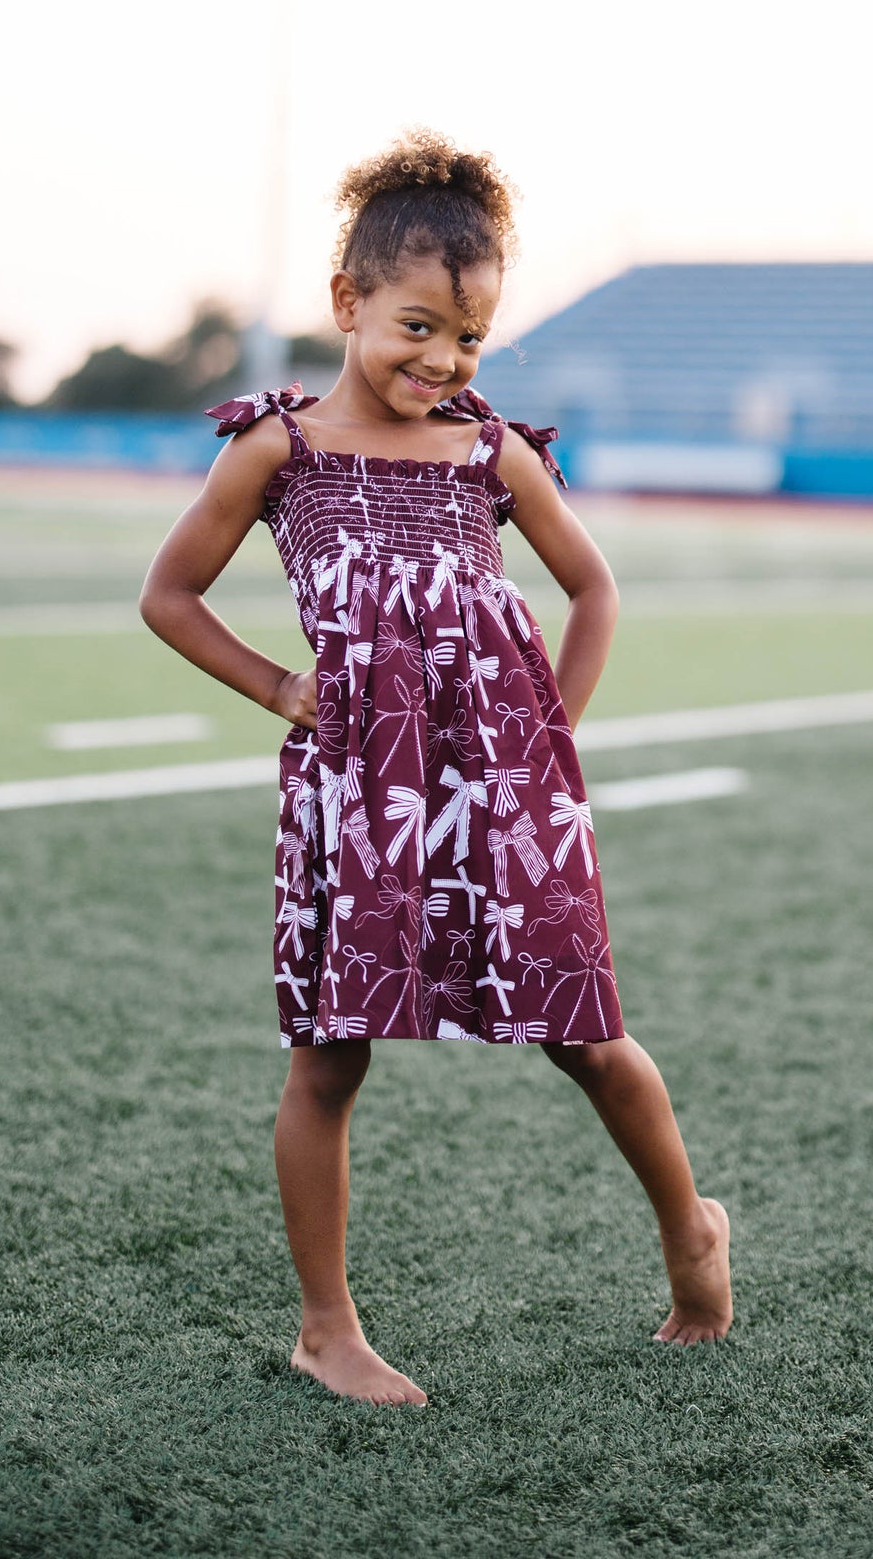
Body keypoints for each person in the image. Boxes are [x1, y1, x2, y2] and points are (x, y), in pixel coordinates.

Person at [139, 129, 731, 1406]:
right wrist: (285, 688)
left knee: (585, 1033)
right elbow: (169, 595)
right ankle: (325, 1326)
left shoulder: (490, 450)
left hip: (508, 793)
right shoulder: (275, 451)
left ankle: (690, 1227)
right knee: (328, 1057)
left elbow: (591, 587)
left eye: (467, 338)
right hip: (358, 794)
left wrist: (546, 739)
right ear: (346, 304)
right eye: (416, 326)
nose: (442, 360)